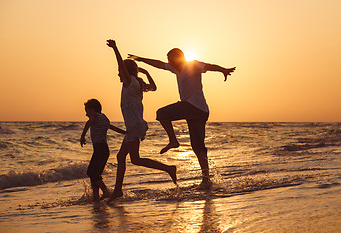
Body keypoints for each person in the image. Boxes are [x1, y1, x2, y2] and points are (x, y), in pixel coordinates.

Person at [128, 48, 235, 189]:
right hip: (199, 111)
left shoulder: (192, 64)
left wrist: (223, 70)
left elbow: (209, 66)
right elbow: (159, 64)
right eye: (168, 59)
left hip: (194, 106)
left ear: (180, 58)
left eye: (171, 59)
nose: (169, 62)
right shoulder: (175, 69)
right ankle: (206, 180)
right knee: (198, 147)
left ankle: (173, 140)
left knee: (161, 113)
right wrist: (141, 59)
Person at [106, 39, 177, 203]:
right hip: (136, 125)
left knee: (135, 159)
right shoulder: (139, 83)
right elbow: (154, 87)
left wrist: (115, 48)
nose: (118, 73)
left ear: (125, 71)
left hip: (134, 125)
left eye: (120, 71)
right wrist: (145, 73)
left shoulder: (130, 81)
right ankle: (117, 190)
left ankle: (168, 169)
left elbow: (120, 65)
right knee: (121, 157)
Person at [80, 98, 126, 202]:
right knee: (95, 175)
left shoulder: (95, 117)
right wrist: (125, 133)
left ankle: (105, 191)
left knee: (91, 172)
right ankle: (95, 197)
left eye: (86, 110)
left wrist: (82, 136)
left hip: (100, 149)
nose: (86, 114)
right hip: (103, 150)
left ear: (92, 110)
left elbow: (90, 121)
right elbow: (112, 127)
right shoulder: (103, 118)